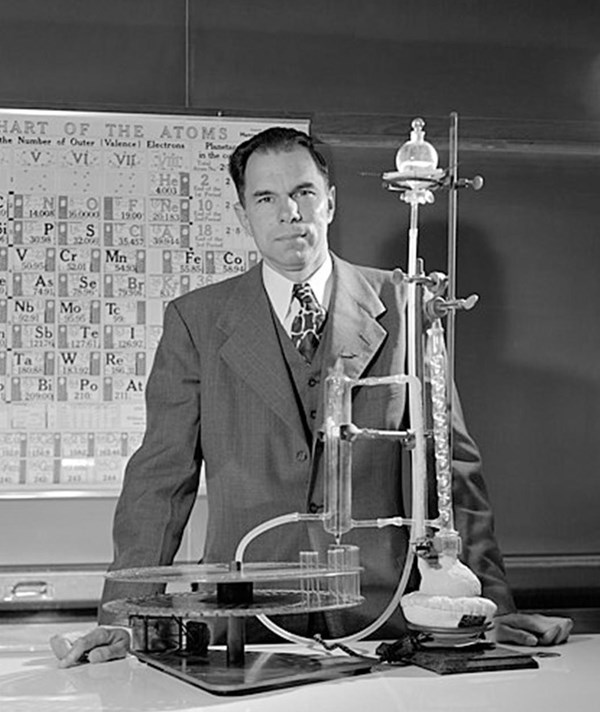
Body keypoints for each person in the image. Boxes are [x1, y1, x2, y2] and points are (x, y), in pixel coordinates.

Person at [54, 127, 572, 668]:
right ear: (242, 215)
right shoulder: (197, 322)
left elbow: (451, 469)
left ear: (330, 201)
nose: (289, 213)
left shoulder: (404, 303)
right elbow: (160, 479)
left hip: (386, 623)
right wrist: (119, 619)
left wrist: (486, 606)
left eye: (303, 192)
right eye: (266, 198)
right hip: (247, 623)